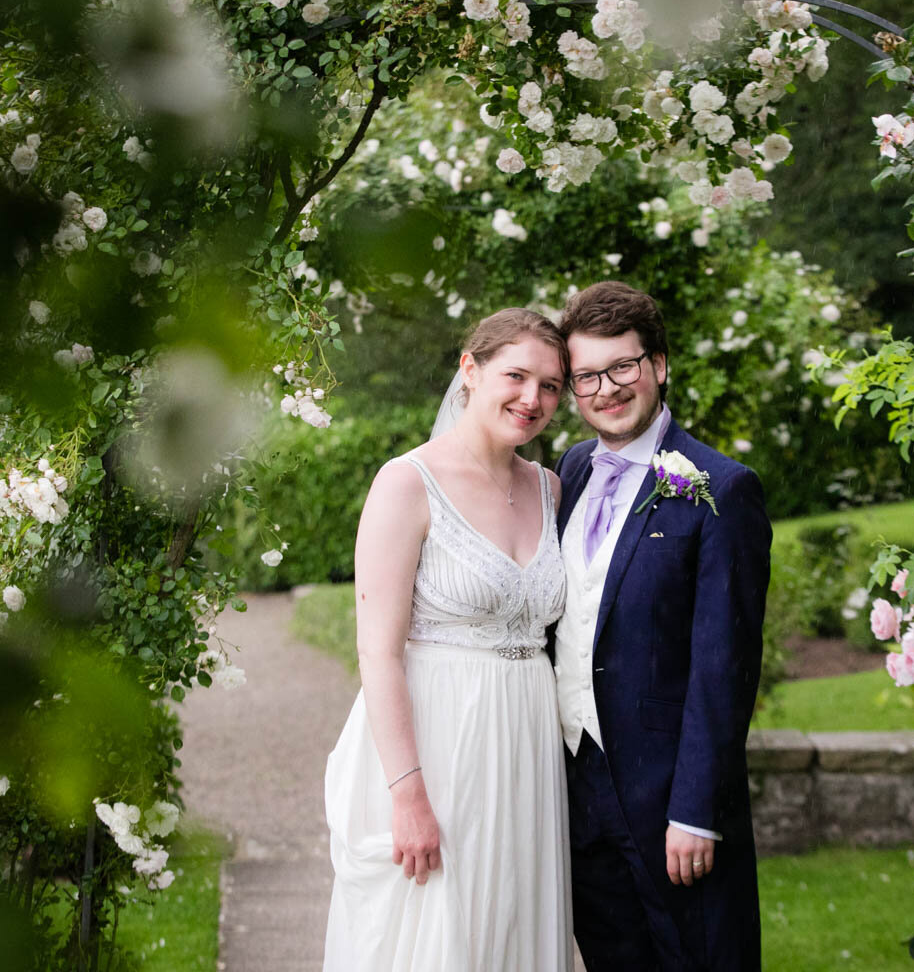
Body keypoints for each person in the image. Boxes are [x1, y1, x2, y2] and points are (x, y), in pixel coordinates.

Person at [322, 308, 573, 971]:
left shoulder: (550, 489)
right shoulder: (407, 483)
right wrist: (407, 798)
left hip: (529, 742)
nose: (533, 399)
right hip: (443, 743)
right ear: (470, 369)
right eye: (516, 376)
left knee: (517, 926)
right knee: (439, 937)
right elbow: (377, 651)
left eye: (550, 386)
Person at [553, 281, 771, 971]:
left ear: (660, 365)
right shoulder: (571, 469)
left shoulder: (720, 487)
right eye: (587, 374)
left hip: (671, 806)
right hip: (576, 788)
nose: (607, 388)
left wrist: (697, 810)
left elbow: (723, 667)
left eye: (623, 366)